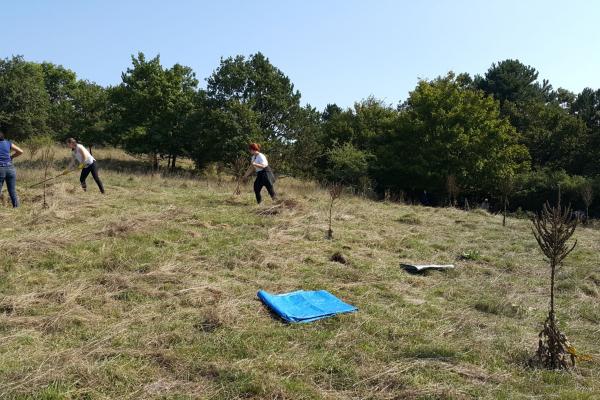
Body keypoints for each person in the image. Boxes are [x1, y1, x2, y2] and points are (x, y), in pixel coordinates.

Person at [0, 126, 23, 208]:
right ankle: (17, 208)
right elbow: (20, 151)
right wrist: (12, 157)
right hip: (10, 168)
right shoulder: (8, 143)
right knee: (12, 190)